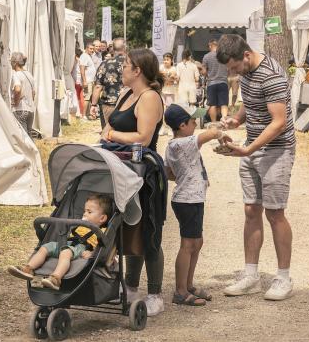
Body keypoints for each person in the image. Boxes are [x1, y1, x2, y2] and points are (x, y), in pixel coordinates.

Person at [216, 34, 296, 301]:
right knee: (251, 210)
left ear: (246, 55)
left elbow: (278, 123)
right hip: (252, 147)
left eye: (234, 67)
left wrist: (249, 149)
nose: (233, 72)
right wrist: (236, 120)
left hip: (276, 150)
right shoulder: (248, 72)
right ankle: (251, 275)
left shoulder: (271, 75)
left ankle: (283, 277)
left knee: (275, 213)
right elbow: (250, 102)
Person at [100, 48, 166, 315]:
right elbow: (106, 128)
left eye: (126, 65)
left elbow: (144, 138)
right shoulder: (126, 94)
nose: (121, 69)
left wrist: (112, 135)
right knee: (128, 229)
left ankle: (155, 294)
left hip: (143, 172)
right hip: (119, 168)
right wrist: (110, 134)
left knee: (148, 231)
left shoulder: (150, 97)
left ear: (137, 70)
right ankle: (130, 286)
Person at [163, 104, 222, 307]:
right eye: (192, 121)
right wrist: (220, 130)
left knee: (196, 242)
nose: (196, 124)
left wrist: (187, 176)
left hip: (191, 199)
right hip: (187, 200)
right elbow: (211, 133)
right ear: (182, 125)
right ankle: (180, 291)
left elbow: (168, 172)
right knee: (188, 245)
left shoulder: (173, 145)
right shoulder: (183, 143)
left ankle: (188, 285)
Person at [7, 194, 113, 290]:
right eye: (84, 211)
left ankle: (56, 279)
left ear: (102, 218)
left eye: (89, 212)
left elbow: (104, 247)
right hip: (66, 244)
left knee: (65, 252)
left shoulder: (103, 231)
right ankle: (28, 269)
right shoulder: (80, 225)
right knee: (45, 247)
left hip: (81, 248)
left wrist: (92, 253)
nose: (85, 214)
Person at [90, 38, 127, 128]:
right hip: (128, 103)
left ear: (112, 49)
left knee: (107, 132)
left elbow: (98, 86)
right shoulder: (132, 63)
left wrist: (93, 105)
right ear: (125, 48)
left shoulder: (105, 64)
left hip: (109, 104)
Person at [201, 39, 230, 122]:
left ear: (210, 45)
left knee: (212, 104)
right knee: (224, 104)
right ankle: (224, 121)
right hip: (223, 82)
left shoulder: (206, 56)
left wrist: (207, 74)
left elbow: (204, 72)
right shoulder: (224, 56)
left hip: (211, 83)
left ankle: (214, 123)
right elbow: (229, 69)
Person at [10, 52, 36, 137]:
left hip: (20, 110)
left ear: (15, 63)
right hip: (31, 110)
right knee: (29, 136)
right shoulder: (29, 75)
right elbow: (33, 93)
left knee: (23, 137)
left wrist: (16, 102)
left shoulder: (16, 75)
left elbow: (17, 90)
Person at [160, 53, 178, 136]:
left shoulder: (174, 68)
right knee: (161, 110)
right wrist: (168, 78)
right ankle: (162, 127)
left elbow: (173, 79)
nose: (165, 61)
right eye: (164, 59)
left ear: (171, 61)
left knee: (168, 110)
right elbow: (161, 78)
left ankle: (170, 128)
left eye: (167, 60)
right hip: (162, 91)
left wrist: (168, 78)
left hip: (170, 92)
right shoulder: (161, 67)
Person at [79, 43, 98, 120]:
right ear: (86, 48)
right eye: (90, 48)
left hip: (91, 80)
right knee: (87, 97)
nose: (92, 50)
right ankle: (83, 115)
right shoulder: (84, 56)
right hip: (87, 80)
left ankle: (87, 114)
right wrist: (84, 81)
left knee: (89, 97)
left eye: (93, 49)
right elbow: (82, 69)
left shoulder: (88, 56)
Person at [73, 48, 86, 119]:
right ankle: (82, 113)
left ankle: (80, 112)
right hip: (80, 81)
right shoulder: (81, 61)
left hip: (77, 81)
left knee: (78, 97)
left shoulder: (76, 62)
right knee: (81, 97)